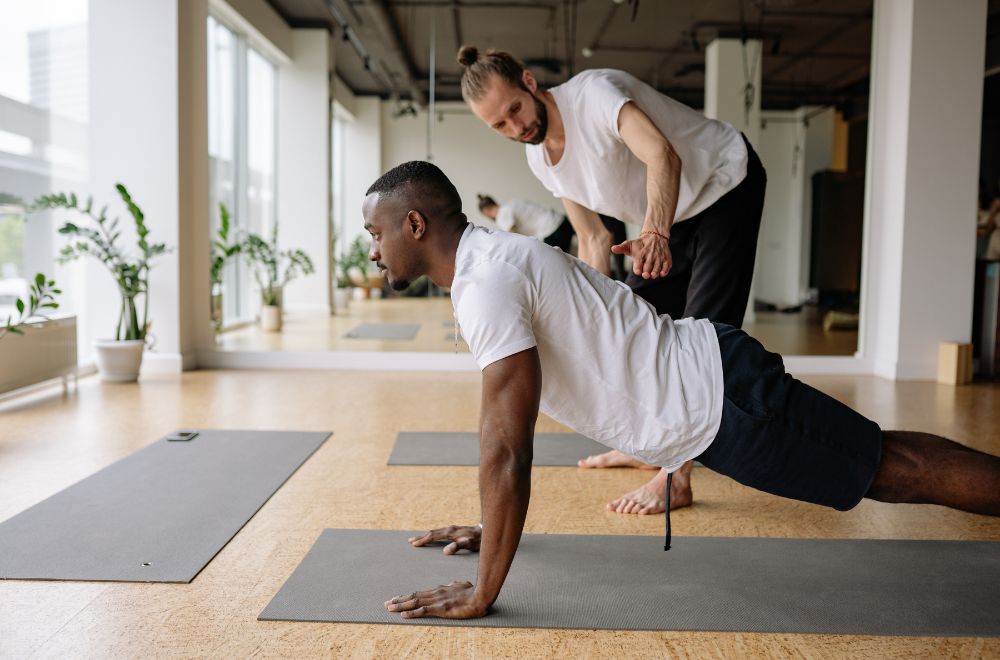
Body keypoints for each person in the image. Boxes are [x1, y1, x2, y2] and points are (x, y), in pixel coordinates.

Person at [365, 161, 1000, 621]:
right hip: (716, 385)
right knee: (886, 461)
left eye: (376, 233)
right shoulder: (493, 263)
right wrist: (493, 528)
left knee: (892, 471)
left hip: (724, 405)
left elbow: (505, 448)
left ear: (414, 224)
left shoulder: (487, 284)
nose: (372, 251)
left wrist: (484, 588)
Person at [457, 46, 768, 514]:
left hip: (723, 185)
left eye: (515, 109)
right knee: (636, 332)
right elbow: (593, 239)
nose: (516, 127)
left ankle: (676, 478)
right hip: (667, 217)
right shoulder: (540, 160)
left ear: (528, 80)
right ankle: (652, 446)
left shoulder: (595, 95)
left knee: (705, 332)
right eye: (499, 125)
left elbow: (663, 155)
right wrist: (591, 324)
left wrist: (655, 233)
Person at [477, 194, 628, 279]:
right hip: (561, 220)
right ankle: (613, 272)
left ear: (486, 212)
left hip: (552, 231)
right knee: (590, 244)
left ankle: (598, 280)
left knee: (560, 267)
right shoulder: (513, 202)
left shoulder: (502, 215)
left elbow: (513, 237)